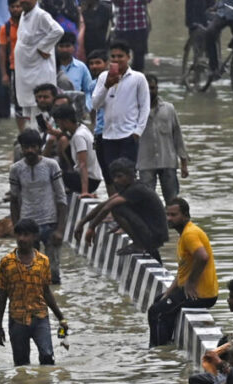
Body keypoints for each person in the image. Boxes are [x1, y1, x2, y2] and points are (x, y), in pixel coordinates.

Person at [0, 219, 68, 366]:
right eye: (19, 234)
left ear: (35, 237)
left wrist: (61, 318)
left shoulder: (43, 261)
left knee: (47, 357)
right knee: (21, 365)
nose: (22, 239)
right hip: (17, 319)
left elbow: (46, 292)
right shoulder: (6, 262)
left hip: (40, 317)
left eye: (26, 235)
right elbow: (3, 295)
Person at [146, 197, 218, 347]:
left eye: (174, 215)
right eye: (167, 214)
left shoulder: (190, 234)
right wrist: (168, 292)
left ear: (185, 215)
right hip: (190, 290)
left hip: (201, 294)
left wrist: (191, 282)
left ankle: (159, 350)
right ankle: (167, 341)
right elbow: (182, 272)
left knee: (156, 312)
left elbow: (203, 257)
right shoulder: (184, 234)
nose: (169, 218)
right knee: (159, 301)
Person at [76, 157, 167, 261]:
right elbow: (105, 204)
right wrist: (82, 223)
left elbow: (108, 207)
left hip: (155, 234)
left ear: (131, 175)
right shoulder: (129, 188)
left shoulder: (137, 189)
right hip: (150, 231)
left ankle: (139, 245)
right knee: (115, 206)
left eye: (120, 176)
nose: (116, 180)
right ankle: (139, 243)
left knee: (116, 209)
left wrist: (91, 228)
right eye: (114, 177)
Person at [9, 128, 67, 285]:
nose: (30, 150)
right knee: (29, 274)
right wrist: (16, 229)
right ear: (21, 148)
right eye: (26, 147)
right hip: (27, 225)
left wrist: (60, 230)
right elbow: (14, 200)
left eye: (34, 146)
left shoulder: (51, 166)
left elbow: (61, 198)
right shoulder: (16, 169)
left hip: (50, 223)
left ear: (40, 147)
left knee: (53, 274)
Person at [90, 40, 148, 171]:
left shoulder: (138, 78)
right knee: (113, 175)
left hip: (128, 135)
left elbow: (145, 107)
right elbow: (95, 104)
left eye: (120, 56)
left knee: (128, 175)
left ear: (128, 57)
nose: (116, 59)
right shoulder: (103, 77)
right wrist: (106, 86)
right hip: (108, 136)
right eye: (113, 56)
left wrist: (138, 132)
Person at [136, 74, 189, 203]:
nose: (149, 91)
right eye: (146, 88)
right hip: (145, 162)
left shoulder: (169, 109)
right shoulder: (134, 111)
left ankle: (172, 223)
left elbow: (177, 136)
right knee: (147, 201)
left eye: (152, 88)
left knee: (172, 200)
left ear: (157, 88)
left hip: (167, 161)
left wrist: (184, 163)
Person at [13, 0, 63, 124]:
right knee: (30, 115)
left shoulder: (41, 15)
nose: (24, 1)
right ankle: (34, 138)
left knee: (41, 111)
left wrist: (43, 47)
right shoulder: (24, 15)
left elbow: (58, 31)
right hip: (26, 72)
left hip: (39, 72)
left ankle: (43, 139)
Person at [51, 103, 101, 196]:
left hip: (91, 182)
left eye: (58, 123)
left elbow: (83, 164)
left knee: (52, 174)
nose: (58, 126)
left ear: (65, 121)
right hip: (93, 178)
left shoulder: (79, 136)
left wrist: (84, 191)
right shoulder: (82, 128)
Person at [0, 0, 24, 127]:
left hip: (30, 67)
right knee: (18, 101)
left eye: (18, 6)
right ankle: (22, 131)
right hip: (14, 68)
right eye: (13, 6)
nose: (16, 9)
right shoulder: (5, 28)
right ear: (8, 8)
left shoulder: (29, 25)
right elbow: (2, 52)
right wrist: (4, 74)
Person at [55, 31, 93, 111]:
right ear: (56, 47)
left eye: (68, 46)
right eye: (61, 46)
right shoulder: (52, 67)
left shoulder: (81, 67)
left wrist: (87, 107)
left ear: (74, 47)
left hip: (76, 109)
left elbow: (88, 90)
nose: (64, 49)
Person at [112, 0, 149, 71]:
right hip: (122, 28)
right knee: (118, 54)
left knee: (139, 57)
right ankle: (119, 76)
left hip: (139, 28)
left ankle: (138, 78)